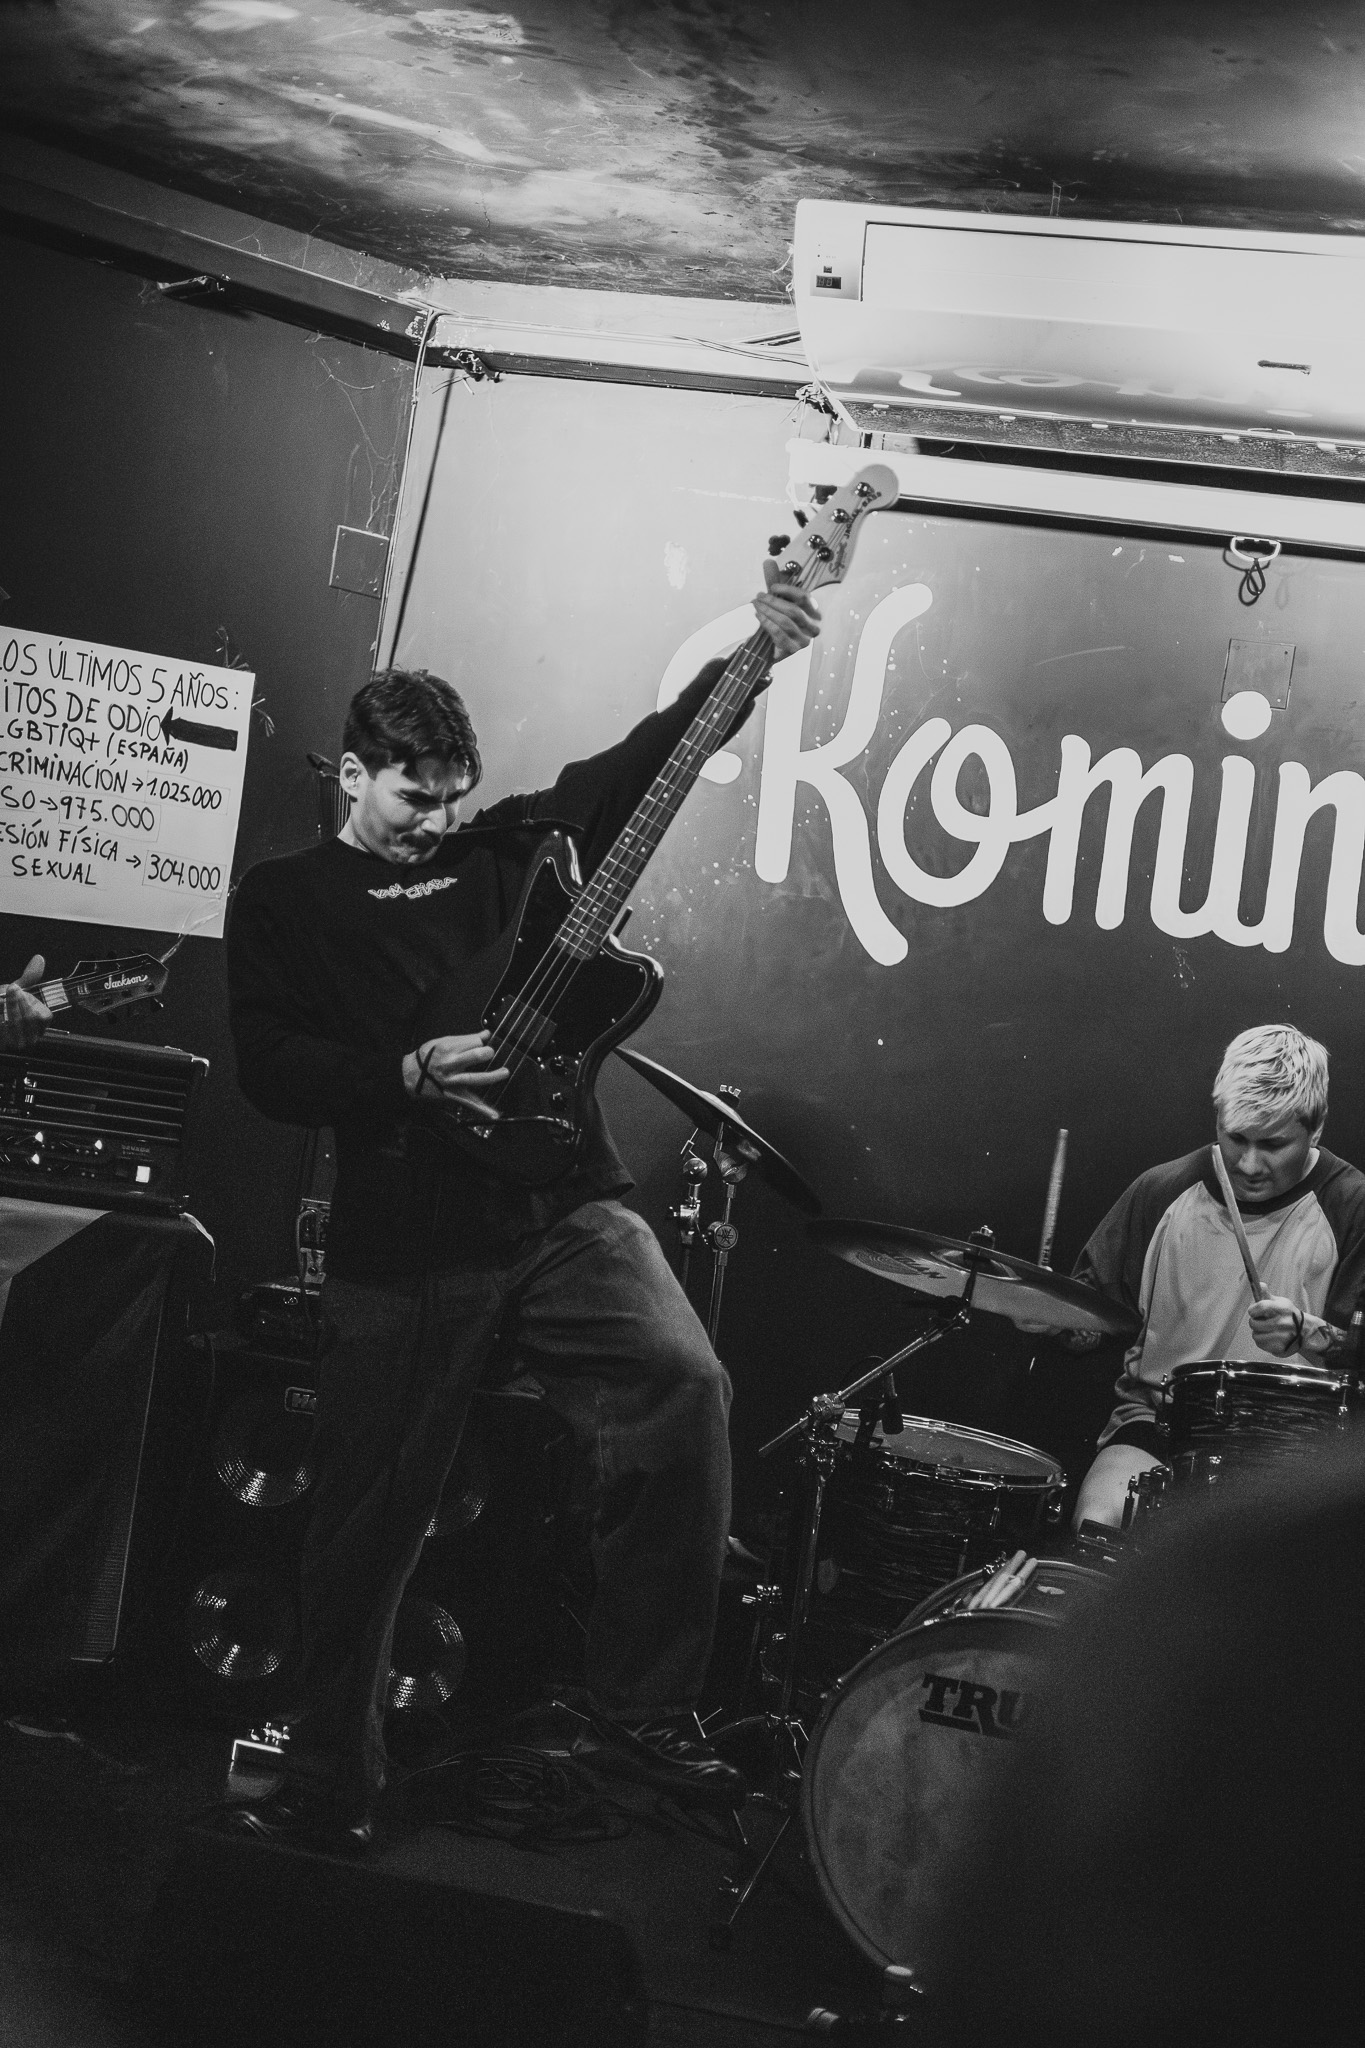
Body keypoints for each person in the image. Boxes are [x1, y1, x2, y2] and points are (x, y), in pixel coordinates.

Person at [223, 560, 821, 1848]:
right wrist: (400, 1073)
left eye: (452, 793)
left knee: (685, 1386)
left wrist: (755, 652)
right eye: (411, 795)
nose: (435, 819)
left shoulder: (502, 851)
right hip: (407, 1232)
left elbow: (640, 766)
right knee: (367, 1520)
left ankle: (640, 1711)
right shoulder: (286, 897)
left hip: (559, 1205)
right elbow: (268, 1066)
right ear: (351, 773)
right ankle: (328, 1777)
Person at [1070, 1024, 1365, 1531]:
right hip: (1160, 1422)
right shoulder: (1161, 1192)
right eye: (1236, 1138)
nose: (1249, 1164)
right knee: (1099, 1523)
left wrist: (1310, 1334)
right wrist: (1054, 1321)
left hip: (1303, 1447)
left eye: (1273, 1144)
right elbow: (1090, 1317)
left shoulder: (1352, 1207)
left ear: (1316, 1129)